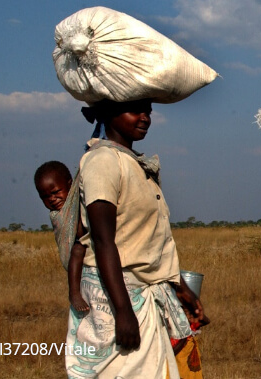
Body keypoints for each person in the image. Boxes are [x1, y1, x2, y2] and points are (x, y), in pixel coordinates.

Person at [65, 98, 209, 379]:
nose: (145, 118)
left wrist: (178, 287)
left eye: (149, 112)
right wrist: (123, 311)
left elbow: (143, 243)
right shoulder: (103, 161)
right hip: (119, 300)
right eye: (136, 111)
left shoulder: (136, 164)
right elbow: (104, 241)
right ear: (108, 114)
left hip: (146, 296)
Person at [33, 160, 89, 313]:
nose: (52, 199)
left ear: (70, 185)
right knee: (77, 250)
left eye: (56, 192)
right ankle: (74, 293)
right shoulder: (57, 214)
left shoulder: (77, 198)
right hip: (77, 249)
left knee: (78, 250)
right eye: (44, 197)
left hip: (84, 247)